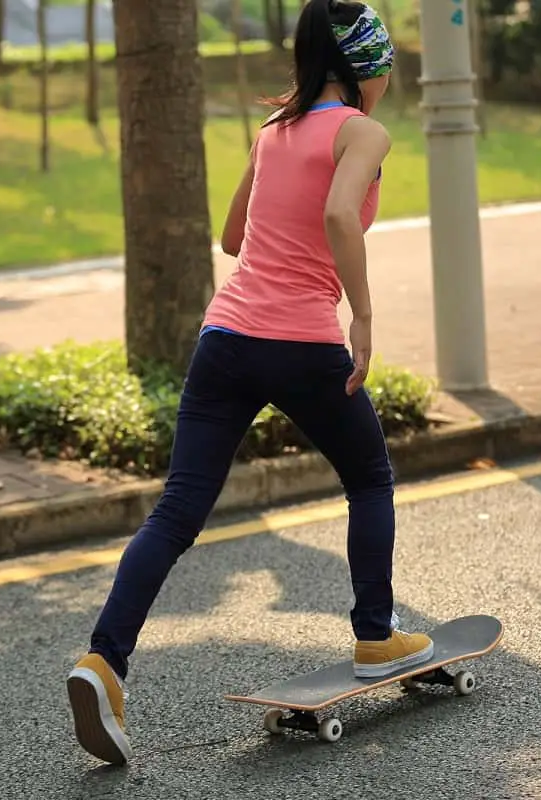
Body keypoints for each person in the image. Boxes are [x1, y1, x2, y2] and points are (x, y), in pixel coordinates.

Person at [66, 0, 433, 766]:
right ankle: (374, 635)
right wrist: (361, 315)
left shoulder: (273, 131)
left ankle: (103, 661)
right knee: (369, 477)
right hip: (301, 342)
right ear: (367, 65)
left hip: (225, 339)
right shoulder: (363, 132)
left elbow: (232, 237)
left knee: (177, 511)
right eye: (387, 66)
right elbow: (339, 215)